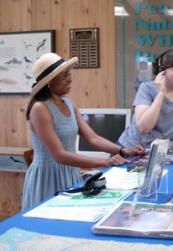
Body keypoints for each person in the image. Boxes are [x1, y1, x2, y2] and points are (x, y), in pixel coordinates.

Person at [22, 53, 146, 210]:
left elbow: (92, 138)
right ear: (49, 82)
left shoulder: (68, 103)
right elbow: (59, 155)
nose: (70, 79)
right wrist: (104, 162)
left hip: (70, 171)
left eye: (69, 74)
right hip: (48, 177)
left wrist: (124, 150)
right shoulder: (40, 108)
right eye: (64, 76)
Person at [117, 49, 173, 150]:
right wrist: (161, 93)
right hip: (131, 148)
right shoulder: (146, 88)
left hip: (159, 150)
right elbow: (144, 128)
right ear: (162, 71)